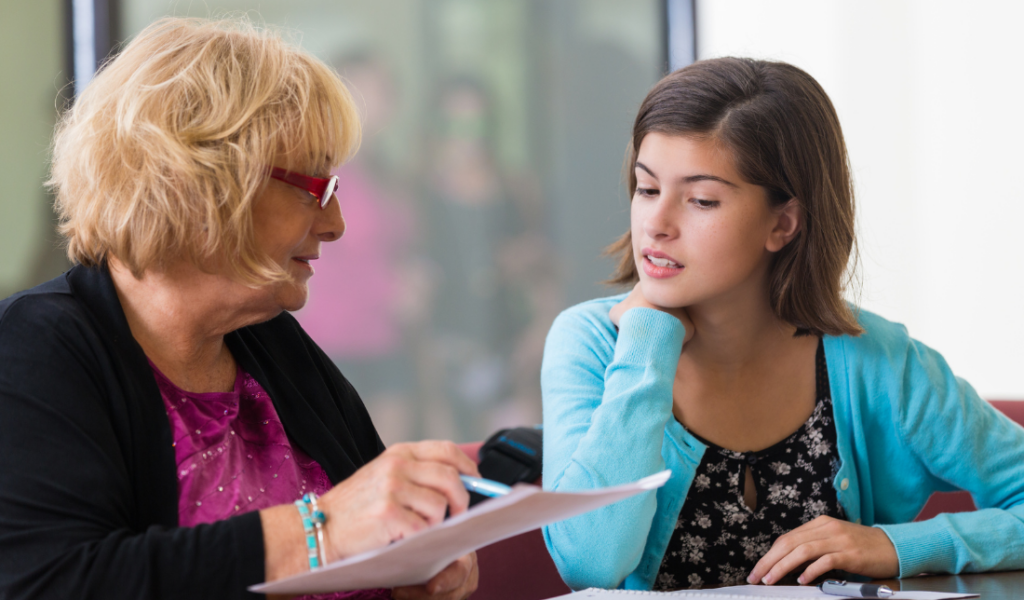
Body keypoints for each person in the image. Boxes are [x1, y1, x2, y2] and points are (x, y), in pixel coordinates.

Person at [0, 18, 479, 600]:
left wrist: (417, 563)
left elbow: (378, 525)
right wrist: (319, 533)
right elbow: (54, 581)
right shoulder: (36, 346)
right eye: (313, 186)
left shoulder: (272, 339)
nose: (336, 224)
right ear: (200, 182)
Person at [540, 57, 1024, 592]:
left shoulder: (881, 361)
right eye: (647, 189)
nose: (655, 224)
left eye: (701, 200)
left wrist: (893, 546)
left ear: (783, 223)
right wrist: (648, 341)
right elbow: (589, 565)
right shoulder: (592, 342)